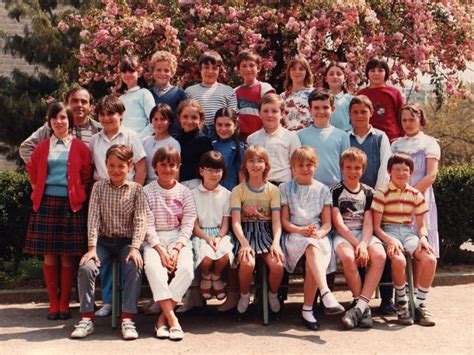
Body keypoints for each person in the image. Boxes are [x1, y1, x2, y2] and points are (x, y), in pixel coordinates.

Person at [24, 102, 91, 321]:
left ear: (70, 122)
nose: (58, 122)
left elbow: (85, 174)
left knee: (68, 258)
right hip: (46, 206)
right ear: (49, 121)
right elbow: (33, 171)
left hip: (71, 206)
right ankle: (53, 303)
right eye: (54, 118)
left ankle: (65, 304)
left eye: (63, 118)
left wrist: (75, 193)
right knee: (50, 257)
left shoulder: (80, 147)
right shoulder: (43, 146)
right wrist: (39, 191)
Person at [71, 144, 146, 340]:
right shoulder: (99, 187)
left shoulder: (137, 190)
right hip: (103, 242)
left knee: (134, 265)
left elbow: (140, 220)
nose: (115, 170)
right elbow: (94, 218)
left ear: (129, 166)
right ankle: (87, 318)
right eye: (111, 165)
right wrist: (92, 248)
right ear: (105, 165)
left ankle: (128, 318)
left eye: (121, 166)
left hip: (126, 243)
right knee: (86, 267)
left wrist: (136, 248)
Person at [280, 147, 344, 331]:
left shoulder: (323, 189)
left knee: (313, 249)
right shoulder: (285, 188)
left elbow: (327, 225)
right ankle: (324, 294)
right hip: (294, 235)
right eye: (300, 165)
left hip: (317, 236)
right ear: (292, 167)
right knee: (311, 247)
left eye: (309, 165)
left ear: (315, 166)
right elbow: (285, 222)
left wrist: (319, 234)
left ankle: (308, 308)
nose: (305, 168)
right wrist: (300, 230)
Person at [372, 152, 437, 326]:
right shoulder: (382, 193)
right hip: (389, 232)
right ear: (389, 171)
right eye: (397, 169)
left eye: (405, 170)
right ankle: (402, 303)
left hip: (408, 233)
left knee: (430, 259)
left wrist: (423, 237)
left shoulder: (416, 194)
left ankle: (419, 304)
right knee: (399, 260)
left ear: (411, 172)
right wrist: (389, 240)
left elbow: (422, 225)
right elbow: (376, 227)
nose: (401, 173)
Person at [143, 146, 196, 341]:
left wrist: (176, 248)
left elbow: (188, 222)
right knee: (154, 269)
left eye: (172, 165)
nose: (167, 169)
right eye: (163, 165)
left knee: (187, 270)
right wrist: (160, 249)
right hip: (154, 240)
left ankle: (162, 318)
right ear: (155, 166)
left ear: (178, 167)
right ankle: (172, 320)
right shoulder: (146, 191)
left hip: (178, 239)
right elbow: (146, 224)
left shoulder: (184, 192)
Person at [347, 95, 393, 314]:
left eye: (363, 112)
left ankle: (386, 299)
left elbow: (385, 167)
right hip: (351, 198)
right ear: (350, 114)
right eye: (355, 112)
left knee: (379, 243)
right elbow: (344, 166)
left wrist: (375, 195)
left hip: (374, 198)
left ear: (371, 112)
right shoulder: (345, 138)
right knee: (357, 242)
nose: (359, 116)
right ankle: (359, 297)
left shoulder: (380, 137)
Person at [332, 148, 386, 329]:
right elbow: (338, 224)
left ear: (362, 169)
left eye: (357, 168)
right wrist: (357, 245)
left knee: (379, 256)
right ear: (342, 168)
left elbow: (369, 223)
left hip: (364, 234)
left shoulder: (369, 192)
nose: (352, 172)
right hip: (344, 235)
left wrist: (363, 244)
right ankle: (360, 303)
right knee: (348, 257)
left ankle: (360, 307)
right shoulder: (335, 191)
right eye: (348, 167)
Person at [230, 145, 285, 315]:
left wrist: (276, 243)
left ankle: (273, 294)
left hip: (266, 232)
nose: (256, 165)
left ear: (266, 165)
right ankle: (245, 294)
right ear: (245, 165)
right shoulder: (238, 190)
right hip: (245, 232)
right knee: (248, 263)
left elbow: (276, 221)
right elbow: (236, 222)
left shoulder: (273, 190)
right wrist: (244, 244)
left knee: (277, 265)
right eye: (251, 161)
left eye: (260, 161)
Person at [391, 104, 440, 257]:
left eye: (412, 119)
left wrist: (410, 196)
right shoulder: (396, 144)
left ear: (420, 120)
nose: (408, 124)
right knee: (402, 245)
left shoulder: (429, 143)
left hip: (421, 198)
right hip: (397, 199)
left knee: (422, 244)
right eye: (404, 120)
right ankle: (405, 282)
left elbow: (431, 175)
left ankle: (420, 282)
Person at [192, 151, 235, 300]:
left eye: (218, 170)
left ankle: (216, 277)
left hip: (220, 232)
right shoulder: (192, 194)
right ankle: (206, 276)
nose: (214, 174)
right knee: (206, 257)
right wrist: (207, 238)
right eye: (210, 170)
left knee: (224, 254)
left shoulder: (226, 194)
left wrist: (218, 237)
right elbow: (194, 225)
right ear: (201, 171)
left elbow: (225, 222)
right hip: (200, 233)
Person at [19, 85, 101, 163]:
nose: (79, 105)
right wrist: (43, 169)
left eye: (84, 102)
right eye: (74, 101)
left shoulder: (99, 130)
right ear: (67, 104)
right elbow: (26, 148)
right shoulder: (52, 127)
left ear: (90, 107)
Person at [297, 89, 350, 188]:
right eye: (316, 108)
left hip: (334, 189)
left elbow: (345, 166)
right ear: (310, 110)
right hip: (307, 189)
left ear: (333, 108)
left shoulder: (342, 136)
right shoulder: (300, 135)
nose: (321, 111)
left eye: (325, 107)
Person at [89, 95, 147, 185]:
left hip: (126, 189)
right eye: (102, 114)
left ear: (121, 114)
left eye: (110, 114)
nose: (106, 118)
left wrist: (135, 193)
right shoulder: (94, 140)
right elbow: (92, 167)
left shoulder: (131, 136)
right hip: (101, 190)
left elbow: (141, 169)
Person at [247, 93, 301, 186]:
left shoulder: (291, 137)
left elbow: (296, 166)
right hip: (258, 187)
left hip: (283, 187)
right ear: (260, 113)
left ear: (282, 114)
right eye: (265, 111)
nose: (270, 115)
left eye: (274, 111)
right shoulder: (252, 139)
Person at [185, 51, 238, 140]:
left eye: (214, 68)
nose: (210, 71)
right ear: (200, 69)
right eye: (206, 67)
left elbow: (233, 116)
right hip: (197, 134)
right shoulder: (189, 91)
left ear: (219, 70)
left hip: (220, 134)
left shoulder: (228, 91)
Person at [358, 57, 404, 142]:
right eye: (372, 71)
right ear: (367, 73)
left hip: (392, 139)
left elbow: (401, 117)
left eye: (380, 70)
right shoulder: (361, 94)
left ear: (386, 73)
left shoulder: (394, 93)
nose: (376, 74)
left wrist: (402, 137)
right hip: (367, 138)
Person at [234, 50, 275, 141]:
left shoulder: (265, 88)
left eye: (252, 65)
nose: (248, 69)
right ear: (238, 70)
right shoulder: (235, 92)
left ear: (259, 68)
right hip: (241, 139)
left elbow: (271, 112)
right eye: (244, 66)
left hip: (262, 137)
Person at [148, 50, 188, 136]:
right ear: (152, 72)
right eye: (158, 70)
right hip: (152, 138)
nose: (162, 73)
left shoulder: (179, 93)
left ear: (172, 73)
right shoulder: (147, 94)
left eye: (166, 70)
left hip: (174, 138)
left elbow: (185, 117)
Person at [176, 99, 213, 189]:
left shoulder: (204, 141)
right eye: (185, 117)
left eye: (194, 117)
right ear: (179, 118)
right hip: (178, 185)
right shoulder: (175, 140)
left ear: (200, 119)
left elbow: (208, 167)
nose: (189, 121)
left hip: (199, 186)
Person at [142, 104, 181, 185]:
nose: (159, 123)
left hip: (165, 187)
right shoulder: (145, 141)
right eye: (155, 119)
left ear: (169, 121)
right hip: (146, 187)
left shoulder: (173, 143)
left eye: (163, 119)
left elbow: (175, 173)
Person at [118, 55, 156, 138]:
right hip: (123, 144)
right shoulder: (121, 98)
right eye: (124, 72)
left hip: (141, 142)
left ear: (139, 73)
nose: (127, 75)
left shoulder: (144, 94)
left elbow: (154, 122)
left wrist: (138, 139)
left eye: (131, 71)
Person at [212, 107, 245, 191]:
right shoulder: (211, 145)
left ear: (235, 125)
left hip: (230, 193)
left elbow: (242, 176)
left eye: (227, 125)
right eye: (219, 125)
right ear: (214, 124)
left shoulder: (240, 148)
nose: (223, 129)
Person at [280, 56, 314, 131]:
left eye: (301, 69)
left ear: (307, 72)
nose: (297, 72)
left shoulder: (313, 93)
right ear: (289, 72)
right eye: (293, 69)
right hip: (287, 136)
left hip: (307, 135)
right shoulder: (282, 96)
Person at [322, 62, 353, 131]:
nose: (335, 77)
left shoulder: (351, 100)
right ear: (326, 78)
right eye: (331, 74)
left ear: (345, 78)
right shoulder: (320, 99)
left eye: (339, 74)